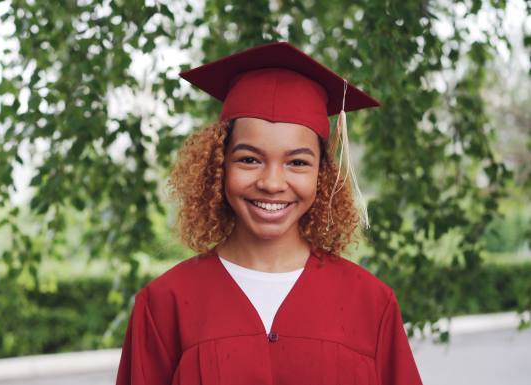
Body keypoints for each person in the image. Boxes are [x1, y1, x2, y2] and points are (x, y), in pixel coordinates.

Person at [115, 41, 423, 385]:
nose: (273, 183)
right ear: (218, 165)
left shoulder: (370, 303)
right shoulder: (164, 305)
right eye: (249, 159)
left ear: (322, 174)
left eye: (297, 162)